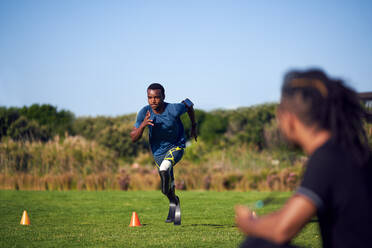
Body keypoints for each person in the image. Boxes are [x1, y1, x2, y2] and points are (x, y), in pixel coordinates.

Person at [235, 69, 372, 248]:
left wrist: (249, 224)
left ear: (290, 119)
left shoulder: (327, 158)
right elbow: (291, 214)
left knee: (256, 245)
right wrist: (260, 222)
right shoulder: (348, 150)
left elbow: (283, 229)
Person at [131, 83, 197, 225]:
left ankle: (174, 203)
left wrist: (193, 125)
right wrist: (142, 126)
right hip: (157, 152)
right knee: (166, 188)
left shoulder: (173, 108)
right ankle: (174, 202)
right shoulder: (144, 112)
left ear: (163, 96)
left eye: (157, 97)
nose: (153, 101)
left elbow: (189, 103)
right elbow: (133, 138)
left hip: (176, 146)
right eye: (150, 97)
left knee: (164, 168)